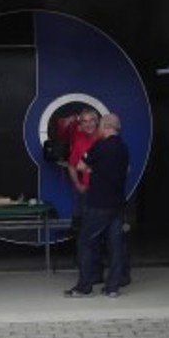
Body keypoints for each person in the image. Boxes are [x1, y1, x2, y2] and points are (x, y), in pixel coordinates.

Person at [63, 113, 130, 299]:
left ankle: (84, 287)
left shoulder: (100, 146)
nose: (98, 128)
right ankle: (112, 287)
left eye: (99, 125)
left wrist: (95, 169)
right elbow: (124, 170)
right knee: (115, 245)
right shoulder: (123, 148)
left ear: (106, 126)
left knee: (85, 241)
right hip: (118, 204)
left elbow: (80, 166)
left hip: (99, 203)